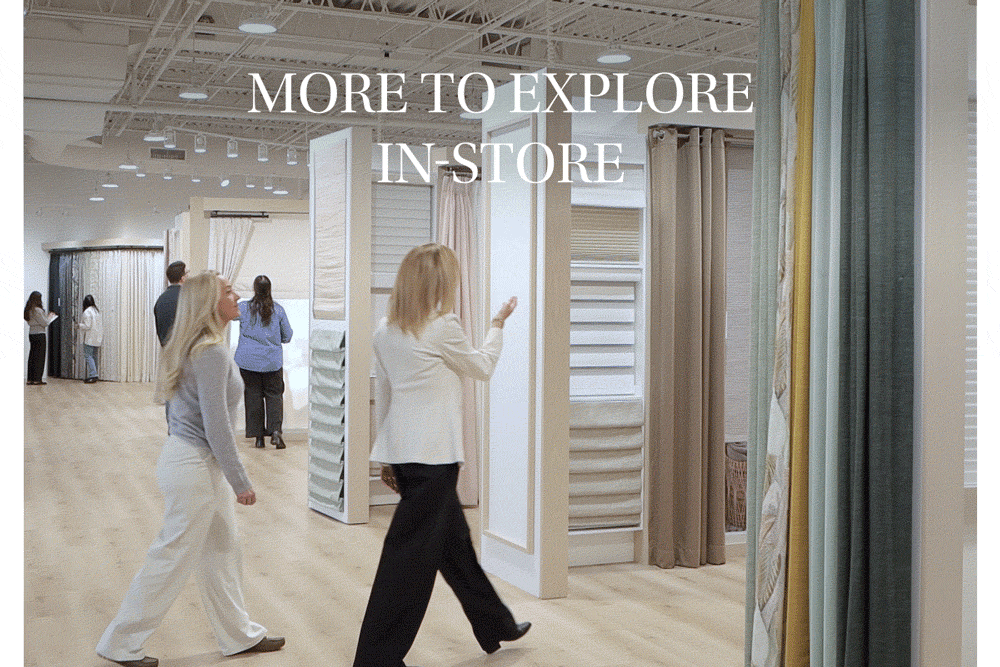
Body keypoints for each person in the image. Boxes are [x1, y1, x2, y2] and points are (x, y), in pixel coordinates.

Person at [96, 271, 284, 667]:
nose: (237, 296)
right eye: (228, 292)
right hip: (194, 464)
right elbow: (216, 426)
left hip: (195, 462)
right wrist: (241, 482)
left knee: (222, 549)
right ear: (210, 303)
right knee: (172, 556)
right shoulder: (210, 352)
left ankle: (238, 634)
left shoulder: (203, 345)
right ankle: (120, 642)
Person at [352, 243, 528, 667]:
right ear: (438, 282)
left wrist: (385, 455)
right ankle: (377, 658)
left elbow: (385, 391)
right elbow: (482, 367)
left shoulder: (385, 329)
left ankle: (494, 624)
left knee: (455, 546)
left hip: (408, 453)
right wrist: (497, 325)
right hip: (434, 459)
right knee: (408, 561)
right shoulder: (442, 327)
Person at [234, 275, 293, 449]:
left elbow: (225, 314)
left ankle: (258, 437)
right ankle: (276, 432)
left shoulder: (244, 308)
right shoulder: (279, 310)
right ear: (270, 290)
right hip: (271, 362)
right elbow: (287, 336)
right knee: (274, 396)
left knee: (253, 396)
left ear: (254, 289)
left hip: (248, 361)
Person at [24, 291, 57, 385]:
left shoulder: (29, 309)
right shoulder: (38, 310)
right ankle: (37, 379)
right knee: (40, 357)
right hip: (40, 334)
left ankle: (30, 379)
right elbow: (45, 323)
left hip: (32, 334)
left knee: (32, 357)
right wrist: (50, 317)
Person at [153, 260, 186, 346]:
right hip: (184, 352)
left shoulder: (160, 300)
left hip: (166, 352)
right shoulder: (187, 299)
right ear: (183, 278)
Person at [77, 294, 103, 383]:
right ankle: (95, 374)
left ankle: (93, 375)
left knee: (88, 356)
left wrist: (79, 325)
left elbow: (87, 326)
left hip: (90, 338)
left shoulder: (87, 311)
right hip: (97, 338)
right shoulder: (96, 311)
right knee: (94, 356)